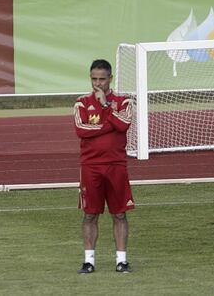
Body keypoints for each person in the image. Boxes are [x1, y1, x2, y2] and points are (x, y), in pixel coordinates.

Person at [74, 59, 135, 274]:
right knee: (90, 214)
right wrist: (110, 125)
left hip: (116, 165)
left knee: (119, 214)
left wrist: (106, 107)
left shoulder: (124, 101)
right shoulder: (81, 103)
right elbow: (82, 130)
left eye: (101, 79)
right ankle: (89, 261)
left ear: (110, 78)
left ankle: (122, 261)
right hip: (91, 166)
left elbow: (124, 125)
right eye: (93, 79)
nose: (97, 84)